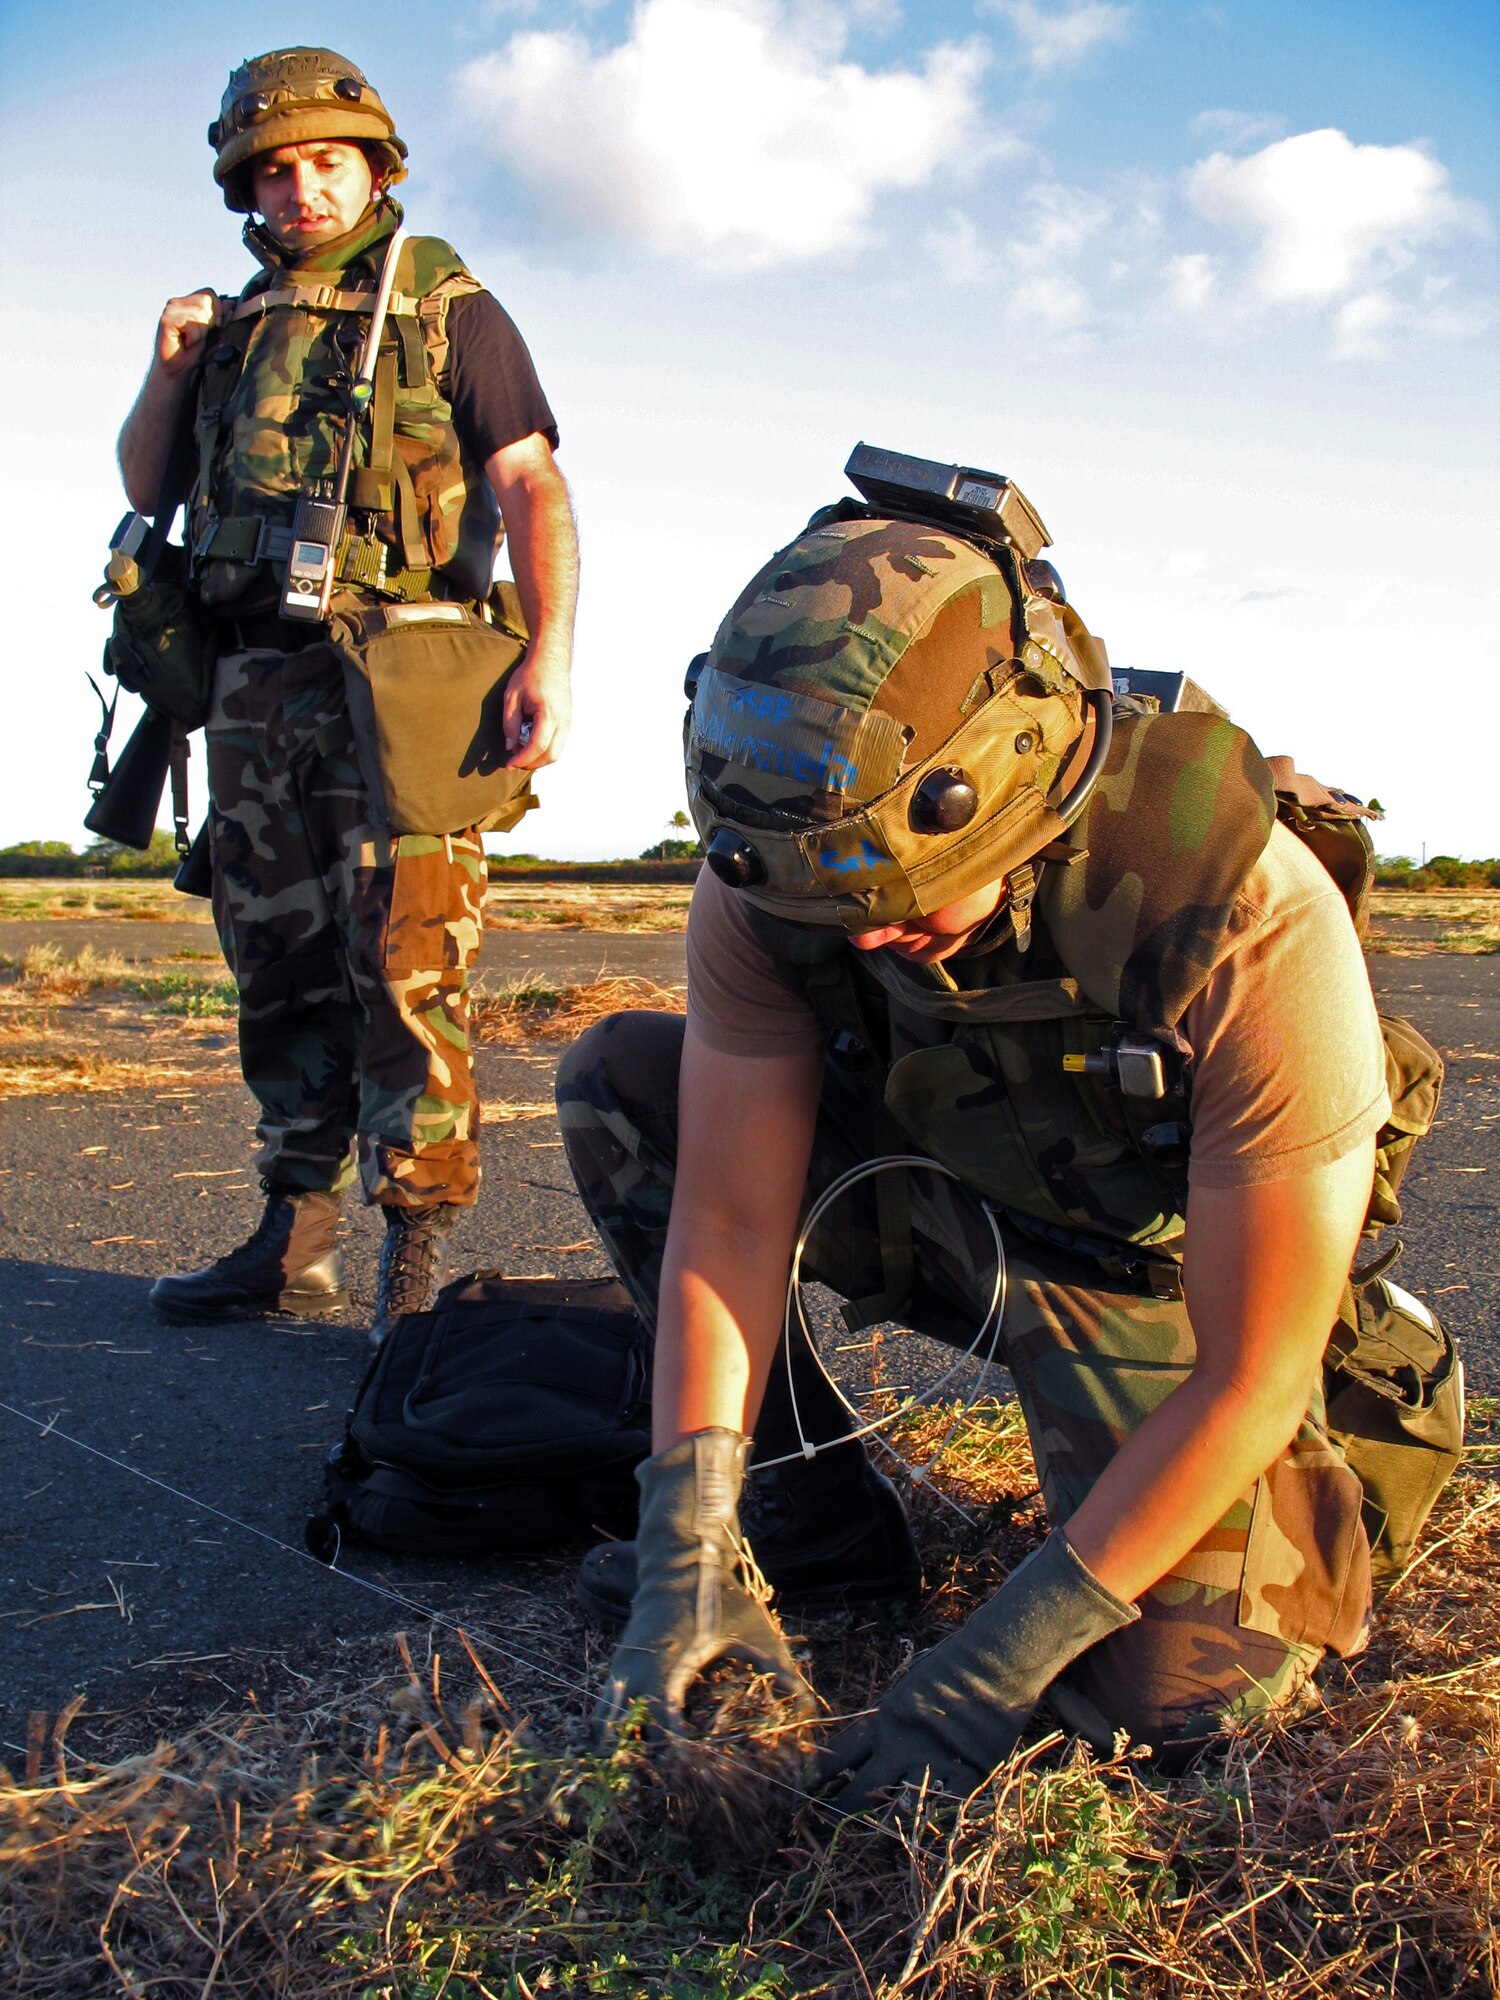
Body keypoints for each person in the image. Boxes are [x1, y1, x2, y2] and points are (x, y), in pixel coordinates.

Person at [555, 457, 1441, 1804]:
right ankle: (802, 1521)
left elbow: (1248, 1372)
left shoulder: (1241, 916)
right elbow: (729, 1217)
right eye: (829, 905)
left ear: (1015, 787)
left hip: (1159, 1288)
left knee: (1174, 1699)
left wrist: (989, 1670)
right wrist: (685, 1544)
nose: (860, 936)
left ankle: (1374, 1409)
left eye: (909, 900)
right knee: (629, 1083)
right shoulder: (790, 860)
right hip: (947, 1195)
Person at [118, 48, 579, 1345]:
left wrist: (547, 653)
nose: (304, 187)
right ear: (245, 190)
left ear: (375, 165)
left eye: (328, 160)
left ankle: (418, 1255)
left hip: (407, 677)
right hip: (253, 688)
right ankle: (294, 1236)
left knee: (413, 962)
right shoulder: (230, 325)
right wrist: (167, 366)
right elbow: (148, 487)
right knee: (276, 965)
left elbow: (532, 483)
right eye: (276, 169)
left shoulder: (445, 301)